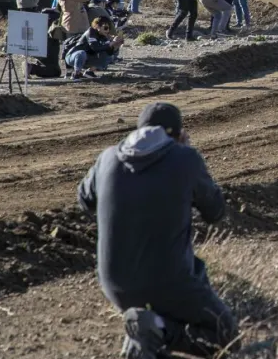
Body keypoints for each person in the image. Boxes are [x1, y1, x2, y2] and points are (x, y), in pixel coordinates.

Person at [77, 102, 238, 358]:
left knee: (196, 270)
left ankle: (147, 336)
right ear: (176, 134)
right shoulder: (185, 159)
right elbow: (215, 212)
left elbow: (85, 200)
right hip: (170, 281)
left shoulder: (107, 157)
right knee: (225, 337)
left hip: (114, 284)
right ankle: (159, 330)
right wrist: (185, 156)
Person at [27, 8, 67, 79]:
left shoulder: (40, 26)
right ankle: (32, 68)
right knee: (55, 71)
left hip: (43, 53)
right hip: (47, 52)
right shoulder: (52, 26)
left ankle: (32, 67)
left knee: (53, 68)